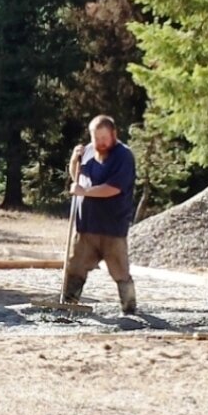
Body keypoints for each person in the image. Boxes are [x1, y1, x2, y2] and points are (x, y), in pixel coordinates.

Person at [66, 114, 138, 314]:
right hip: (86, 225)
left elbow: (113, 188)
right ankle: (69, 304)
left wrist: (86, 192)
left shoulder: (124, 156)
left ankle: (129, 308)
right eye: (95, 138)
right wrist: (74, 160)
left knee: (120, 271)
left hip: (112, 227)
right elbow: (78, 178)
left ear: (114, 134)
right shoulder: (88, 151)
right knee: (75, 267)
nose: (100, 143)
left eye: (103, 138)